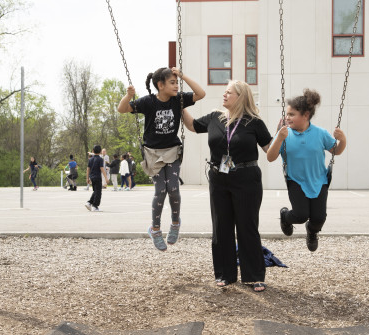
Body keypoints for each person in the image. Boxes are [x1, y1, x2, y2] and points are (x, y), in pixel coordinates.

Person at [182, 80, 271, 292]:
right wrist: (180, 104)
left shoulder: (254, 122)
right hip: (219, 178)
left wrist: (282, 137)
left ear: (240, 97)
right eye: (224, 92)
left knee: (247, 227)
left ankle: (254, 276)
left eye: (228, 92)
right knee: (221, 227)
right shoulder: (215, 117)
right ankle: (225, 274)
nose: (224, 95)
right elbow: (192, 126)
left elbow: (270, 149)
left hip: (247, 178)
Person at [117, 67, 205, 251]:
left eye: (177, 83)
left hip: (172, 151)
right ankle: (155, 229)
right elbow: (122, 108)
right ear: (160, 85)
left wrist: (182, 75)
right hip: (153, 154)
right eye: (172, 83)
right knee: (160, 190)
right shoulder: (148, 102)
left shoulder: (178, 100)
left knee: (173, 188)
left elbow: (200, 93)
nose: (176, 86)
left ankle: (175, 223)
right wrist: (128, 95)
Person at [267, 89, 347, 252]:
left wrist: (343, 139)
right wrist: (279, 138)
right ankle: (285, 217)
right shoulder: (285, 134)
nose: (287, 117)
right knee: (300, 215)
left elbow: (336, 151)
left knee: (319, 218)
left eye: (292, 114)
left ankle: (311, 232)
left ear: (305, 115)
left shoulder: (320, 133)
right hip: (296, 180)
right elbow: (270, 156)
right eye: (287, 114)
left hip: (319, 181)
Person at [85, 145, 109, 212]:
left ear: (93, 151)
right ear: (100, 151)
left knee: (96, 191)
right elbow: (102, 169)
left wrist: (87, 178)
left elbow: (88, 169)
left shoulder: (90, 159)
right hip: (97, 177)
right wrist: (106, 178)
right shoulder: (100, 159)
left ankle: (89, 203)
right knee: (98, 192)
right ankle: (95, 206)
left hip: (92, 177)